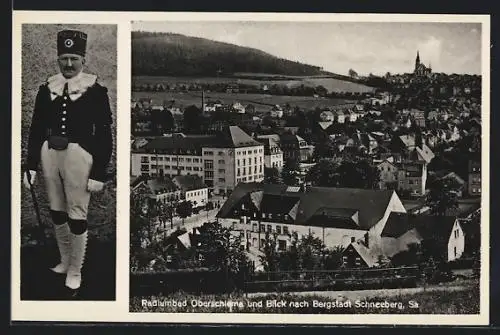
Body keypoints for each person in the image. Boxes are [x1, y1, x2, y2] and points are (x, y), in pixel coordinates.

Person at [23, 29, 113, 297]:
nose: (69, 64)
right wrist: (30, 165)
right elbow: (37, 127)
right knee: (57, 212)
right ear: (58, 59)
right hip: (49, 154)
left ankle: (76, 269)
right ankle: (64, 261)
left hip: (79, 157)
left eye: (74, 58)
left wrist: (98, 171)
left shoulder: (95, 90)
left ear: (83, 59)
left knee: (76, 215)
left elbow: (105, 133)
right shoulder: (46, 89)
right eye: (64, 58)